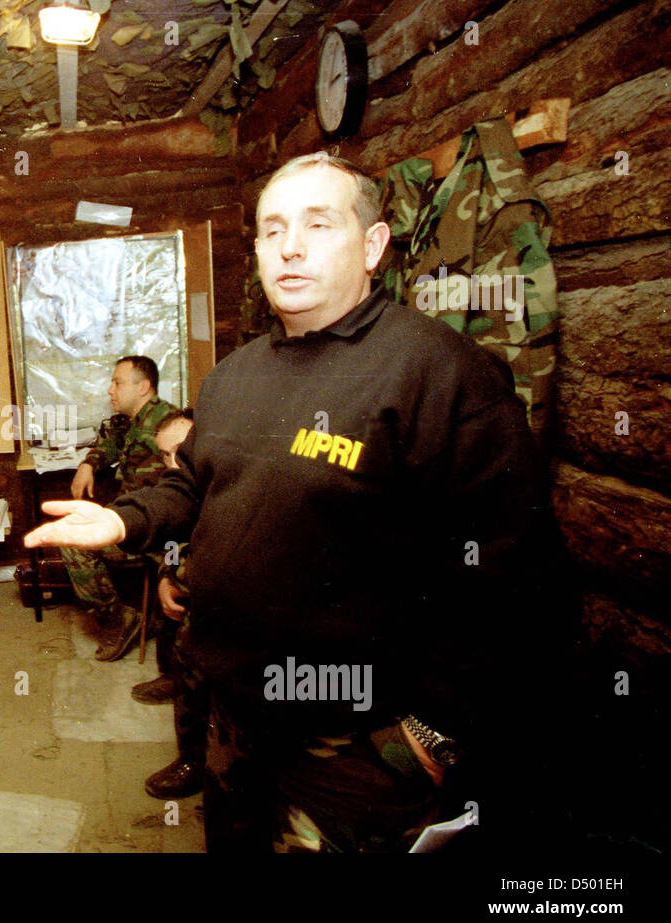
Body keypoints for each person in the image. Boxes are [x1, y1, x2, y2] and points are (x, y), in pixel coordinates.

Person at [27, 153, 549, 852]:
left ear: (372, 246)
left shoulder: (440, 373)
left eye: (318, 223)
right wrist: (127, 517)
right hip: (236, 713)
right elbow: (197, 481)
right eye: (273, 230)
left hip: (353, 738)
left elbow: (510, 572)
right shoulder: (236, 376)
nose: (291, 246)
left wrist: (431, 734)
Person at [62, 356, 177, 661]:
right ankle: (136, 615)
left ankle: (118, 620)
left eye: (118, 383)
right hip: (135, 517)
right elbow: (111, 441)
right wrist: (88, 464)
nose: (110, 390)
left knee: (73, 543)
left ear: (143, 387)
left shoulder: (166, 427)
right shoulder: (134, 420)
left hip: (158, 532)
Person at [133, 410, 207, 801]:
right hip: (190, 599)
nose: (173, 465)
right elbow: (176, 543)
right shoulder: (182, 491)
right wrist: (167, 574)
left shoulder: (229, 487)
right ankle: (192, 759)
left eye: (181, 452)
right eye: (165, 456)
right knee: (188, 672)